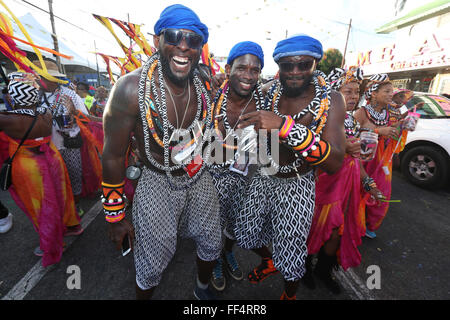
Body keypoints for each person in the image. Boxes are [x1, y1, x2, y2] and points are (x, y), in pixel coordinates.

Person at [102, 4, 222, 300]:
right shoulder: (130, 89)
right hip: (156, 179)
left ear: (199, 48)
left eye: (192, 40)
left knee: (211, 241)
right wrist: (115, 215)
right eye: (174, 36)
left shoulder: (204, 82)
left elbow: (210, 129)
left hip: (197, 174)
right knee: (152, 257)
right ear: (158, 40)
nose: (183, 46)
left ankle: (202, 288)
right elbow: (113, 155)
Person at [234, 34, 346, 300]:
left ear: (314, 64)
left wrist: (284, 127)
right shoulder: (267, 92)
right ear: (279, 66)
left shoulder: (332, 100)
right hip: (264, 175)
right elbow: (236, 91)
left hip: (297, 184)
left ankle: (289, 295)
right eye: (287, 65)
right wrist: (220, 81)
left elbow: (334, 163)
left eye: (303, 64)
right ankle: (268, 261)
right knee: (245, 233)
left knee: (291, 253)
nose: (295, 71)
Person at [303, 66, 384, 294]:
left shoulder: (352, 122)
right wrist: (339, 148)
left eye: (356, 91)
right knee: (317, 230)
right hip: (325, 186)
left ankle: (323, 271)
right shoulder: (321, 117)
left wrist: (370, 184)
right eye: (347, 91)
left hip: (348, 187)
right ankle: (305, 269)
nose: (353, 96)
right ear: (333, 93)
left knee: (338, 233)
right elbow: (309, 152)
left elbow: (355, 159)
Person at [0, 72, 82, 266]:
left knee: (43, 207)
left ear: (14, 97)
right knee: (60, 196)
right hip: (52, 160)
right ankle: (71, 225)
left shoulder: (9, 120)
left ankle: (52, 244)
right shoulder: (45, 113)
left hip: (30, 168)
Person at [208, 41, 265, 292]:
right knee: (210, 228)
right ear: (229, 67)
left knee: (232, 226)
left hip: (244, 178)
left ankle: (227, 254)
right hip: (209, 177)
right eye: (242, 68)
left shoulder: (264, 102)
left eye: (255, 70)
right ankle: (212, 262)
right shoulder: (209, 98)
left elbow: (265, 149)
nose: (249, 75)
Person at [36, 60, 101, 214]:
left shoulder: (69, 94)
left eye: (45, 78)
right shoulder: (35, 96)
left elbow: (88, 119)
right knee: (53, 180)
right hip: (46, 146)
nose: (42, 81)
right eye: (42, 78)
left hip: (68, 144)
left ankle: (75, 206)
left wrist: (74, 113)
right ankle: (59, 208)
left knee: (74, 175)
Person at [354, 74, 407, 239]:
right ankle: (355, 224)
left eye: (392, 91)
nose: (391, 94)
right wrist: (377, 131)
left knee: (381, 192)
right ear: (373, 93)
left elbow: (395, 133)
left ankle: (369, 225)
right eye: (387, 91)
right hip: (362, 160)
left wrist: (404, 126)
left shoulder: (392, 112)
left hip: (382, 160)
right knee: (358, 191)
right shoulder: (361, 113)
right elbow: (351, 134)